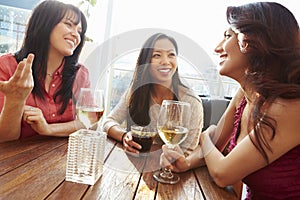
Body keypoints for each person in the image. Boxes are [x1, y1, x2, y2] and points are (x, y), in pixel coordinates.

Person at [160, 2, 300, 199]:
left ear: (253, 42)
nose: (217, 48)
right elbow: (215, 141)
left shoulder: (289, 108)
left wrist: (203, 137)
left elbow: (222, 173)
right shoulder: (245, 95)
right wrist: (188, 162)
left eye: (227, 36)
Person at [0, 0, 90, 142]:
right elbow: (4, 139)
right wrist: (14, 100)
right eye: (68, 24)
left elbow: (89, 121)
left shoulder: (80, 73)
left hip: (61, 158)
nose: (76, 35)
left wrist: (48, 129)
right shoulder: (7, 67)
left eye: (79, 31)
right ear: (45, 24)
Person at [103, 33, 203, 155]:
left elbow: (188, 152)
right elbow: (108, 122)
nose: (166, 61)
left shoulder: (191, 101)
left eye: (171, 54)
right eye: (157, 55)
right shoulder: (136, 92)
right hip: (136, 164)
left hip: (173, 169)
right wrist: (124, 136)